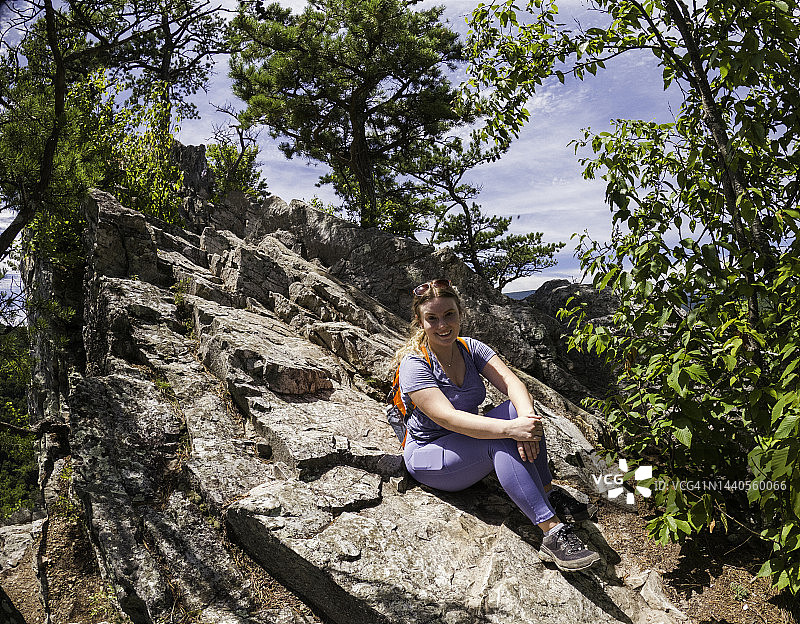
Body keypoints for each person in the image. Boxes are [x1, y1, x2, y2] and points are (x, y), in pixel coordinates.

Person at [392, 278, 600, 572]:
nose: (442, 325)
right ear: (420, 321)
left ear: (460, 313)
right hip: (431, 453)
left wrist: (526, 420)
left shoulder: (470, 348)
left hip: (468, 440)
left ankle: (547, 490)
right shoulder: (414, 364)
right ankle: (551, 531)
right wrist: (511, 430)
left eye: (449, 314)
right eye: (432, 318)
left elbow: (512, 383)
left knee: (521, 412)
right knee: (501, 438)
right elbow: (447, 418)